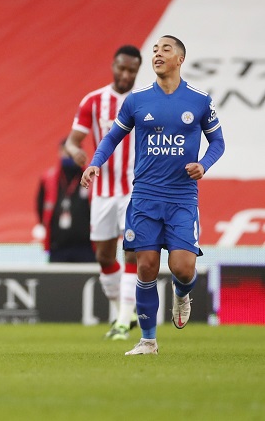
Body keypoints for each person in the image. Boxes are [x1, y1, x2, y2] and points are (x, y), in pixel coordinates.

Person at [81, 35, 225, 355]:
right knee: (145, 266)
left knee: (183, 268)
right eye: (156, 50)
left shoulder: (200, 100)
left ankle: (182, 292)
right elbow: (111, 138)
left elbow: (218, 143)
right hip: (145, 197)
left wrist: (204, 164)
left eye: (166, 49)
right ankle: (147, 341)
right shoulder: (137, 100)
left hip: (182, 198)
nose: (158, 54)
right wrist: (94, 164)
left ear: (180, 59)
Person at [65, 45, 142, 340]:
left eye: (131, 70)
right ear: (113, 66)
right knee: (105, 255)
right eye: (121, 69)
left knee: (131, 251)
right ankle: (119, 311)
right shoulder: (94, 101)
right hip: (103, 191)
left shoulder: (143, 101)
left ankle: (123, 319)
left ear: (137, 70)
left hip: (135, 189)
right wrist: (77, 154)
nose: (125, 75)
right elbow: (73, 141)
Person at [36, 139, 92, 263]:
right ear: (59, 153)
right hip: (58, 247)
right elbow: (40, 206)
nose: (69, 155)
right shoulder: (48, 178)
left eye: (73, 152)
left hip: (87, 247)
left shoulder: (92, 177)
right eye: (65, 152)